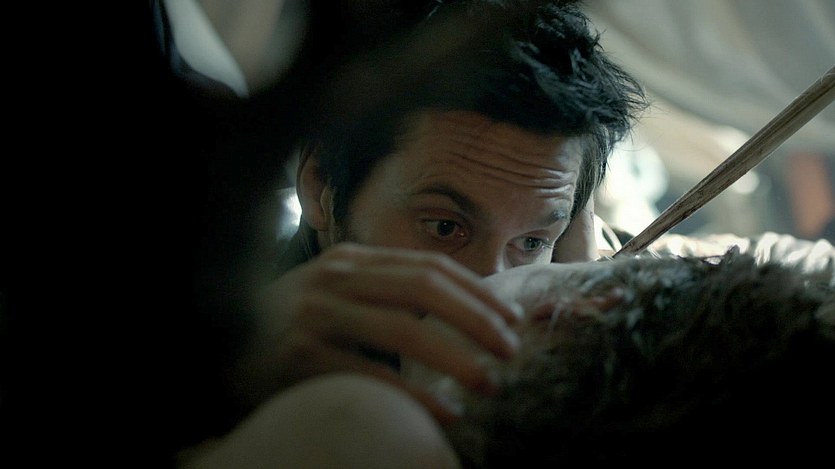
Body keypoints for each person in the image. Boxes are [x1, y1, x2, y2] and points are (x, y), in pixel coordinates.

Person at [226, 0, 648, 425]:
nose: (489, 291)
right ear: (320, 186)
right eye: (445, 228)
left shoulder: (572, 322)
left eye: (531, 242)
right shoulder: (223, 345)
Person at [183, 249, 835, 468]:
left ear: (575, 309)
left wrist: (212, 354)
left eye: (536, 244)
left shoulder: (370, 435)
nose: (481, 267)